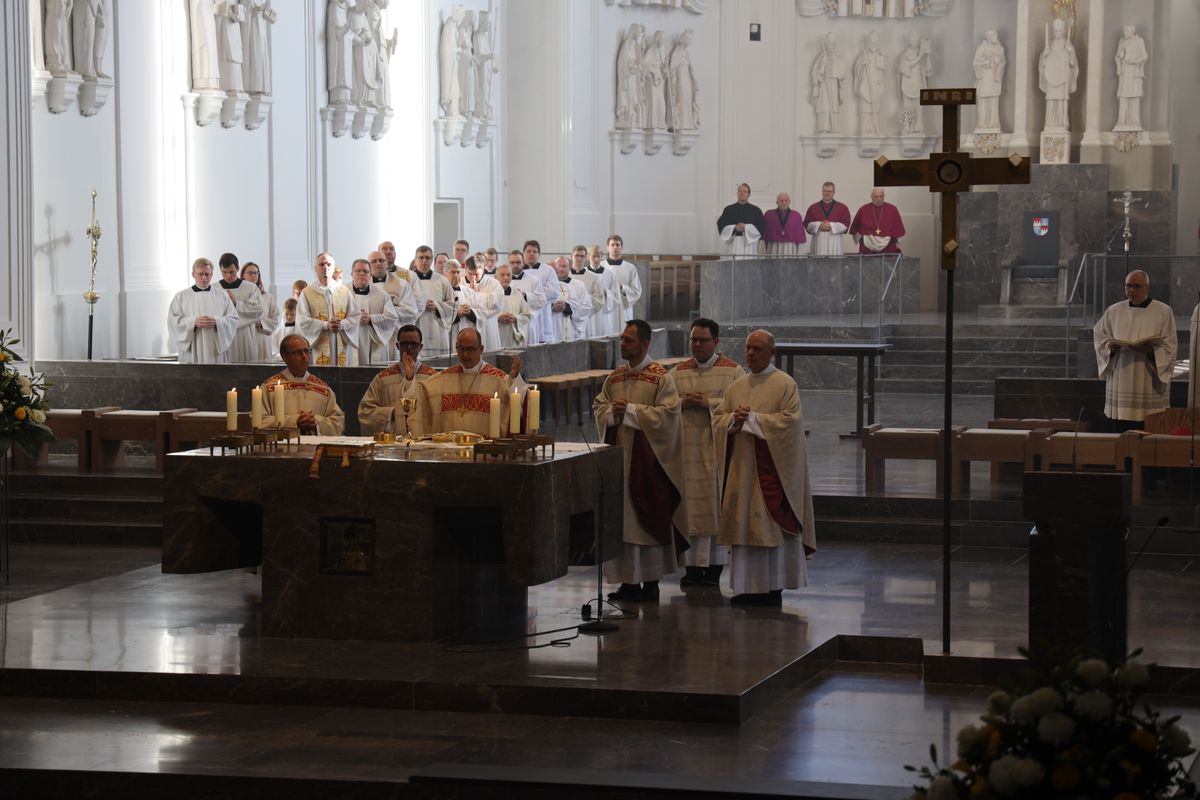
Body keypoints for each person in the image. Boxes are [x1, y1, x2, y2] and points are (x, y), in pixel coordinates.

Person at [713, 330, 815, 607]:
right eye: (748, 348)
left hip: (772, 471)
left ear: (772, 352)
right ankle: (747, 587)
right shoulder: (737, 386)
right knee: (744, 528)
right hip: (742, 469)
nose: (750, 354)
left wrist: (753, 420)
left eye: (757, 349)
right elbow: (719, 419)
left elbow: (790, 424)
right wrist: (734, 419)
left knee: (769, 528)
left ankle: (773, 586)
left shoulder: (784, 384)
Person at [592, 320, 685, 603]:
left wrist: (631, 411)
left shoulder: (660, 377)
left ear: (645, 344)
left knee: (646, 520)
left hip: (648, 462)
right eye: (621, 340)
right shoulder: (615, 377)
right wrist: (612, 413)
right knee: (623, 523)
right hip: (619, 459)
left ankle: (650, 582)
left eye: (629, 341)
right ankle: (628, 583)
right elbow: (599, 406)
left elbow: (669, 415)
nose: (623, 345)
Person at [671, 318, 744, 588]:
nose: (697, 345)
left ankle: (713, 568)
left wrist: (708, 403)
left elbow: (739, 406)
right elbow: (665, 405)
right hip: (687, 452)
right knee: (690, 509)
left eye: (703, 340)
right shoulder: (677, 372)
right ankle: (691, 568)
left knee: (714, 508)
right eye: (693, 340)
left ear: (716, 342)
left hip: (717, 451)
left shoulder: (733, 372)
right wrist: (681, 402)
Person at [1093, 270, 1177, 432]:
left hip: (1148, 379)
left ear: (1147, 287)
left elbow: (1170, 346)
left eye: (1137, 286)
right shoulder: (1113, 311)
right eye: (1128, 286)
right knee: (1121, 432)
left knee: (1148, 431)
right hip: (1121, 377)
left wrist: (1150, 351)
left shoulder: (1163, 311)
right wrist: (1110, 348)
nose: (1131, 290)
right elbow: (1099, 337)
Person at [415, 328, 523, 437]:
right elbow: (418, 397)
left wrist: (514, 379)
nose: (465, 354)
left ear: (481, 349)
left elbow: (520, 402)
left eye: (470, 349)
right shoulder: (442, 379)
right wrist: (409, 378)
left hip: (484, 451)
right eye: (461, 349)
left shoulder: (498, 380)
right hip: (450, 450)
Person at [358, 324, 440, 436]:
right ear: (397, 346)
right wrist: (391, 413)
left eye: (414, 344)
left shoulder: (432, 378)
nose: (409, 348)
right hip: (391, 444)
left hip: (423, 441)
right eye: (405, 344)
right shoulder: (382, 379)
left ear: (420, 347)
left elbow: (440, 413)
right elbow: (365, 412)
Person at [260, 333, 346, 435]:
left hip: (315, 449)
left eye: (306, 351)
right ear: (285, 357)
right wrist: (294, 421)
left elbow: (338, 422)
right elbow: (259, 420)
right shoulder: (269, 388)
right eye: (298, 352)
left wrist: (316, 422)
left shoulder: (323, 390)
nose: (304, 357)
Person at [168, 257, 239, 364]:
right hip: (192, 348)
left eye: (207, 274)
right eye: (200, 274)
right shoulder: (181, 296)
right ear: (193, 274)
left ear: (212, 275)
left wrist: (217, 321)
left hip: (214, 349)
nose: (204, 278)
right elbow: (173, 321)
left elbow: (233, 318)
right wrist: (193, 322)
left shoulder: (222, 295)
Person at [296, 252, 354, 366]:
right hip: (318, 346)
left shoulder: (344, 291)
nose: (325, 268)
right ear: (315, 268)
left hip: (340, 342)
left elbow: (355, 316)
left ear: (333, 268)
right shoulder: (307, 293)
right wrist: (325, 325)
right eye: (321, 264)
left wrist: (342, 324)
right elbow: (302, 321)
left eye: (328, 264)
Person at [346, 257, 401, 366]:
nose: (362, 274)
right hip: (350, 342)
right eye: (358, 271)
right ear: (352, 274)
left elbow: (392, 317)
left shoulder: (382, 295)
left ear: (370, 275)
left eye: (366, 271)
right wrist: (354, 318)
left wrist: (371, 319)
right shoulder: (342, 294)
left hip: (374, 341)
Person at [409, 245, 456, 358]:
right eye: (421, 258)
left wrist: (437, 306)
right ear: (415, 260)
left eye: (427, 258)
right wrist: (419, 305)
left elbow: (454, 304)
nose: (424, 260)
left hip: (437, 329)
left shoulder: (442, 280)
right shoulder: (408, 280)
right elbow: (403, 304)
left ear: (432, 260)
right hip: (416, 327)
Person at [218, 253, 264, 363]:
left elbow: (258, 310)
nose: (228, 276)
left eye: (232, 272)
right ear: (220, 269)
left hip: (244, 336)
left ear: (238, 269)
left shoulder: (250, 288)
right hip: (222, 335)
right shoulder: (215, 288)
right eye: (224, 272)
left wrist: (236, 303)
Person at [1038, 18, 1078, 131]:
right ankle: (1050, 122)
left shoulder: (1068, 45)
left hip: (1062, 78)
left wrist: (1070, 52)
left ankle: (1061, 122)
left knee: (1061, 100)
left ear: (1064, 31)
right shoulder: (1049, 45)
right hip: (1051, 77)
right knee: (1051, 100)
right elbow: (1043, 63)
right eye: (1056, 31)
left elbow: (1072, 63)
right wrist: (1044, 55)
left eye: (1060, 31)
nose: (1058, 33)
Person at [518, 240, 561, 344]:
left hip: (542, 316)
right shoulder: (517, 271)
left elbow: (554, 291)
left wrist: (528, 295)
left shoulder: (548, 270)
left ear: (539, 254)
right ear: (523, 254)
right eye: (528, 251)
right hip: (520, 315)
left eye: (535, 251)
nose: (531, 254)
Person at [599, 235, 641, 336]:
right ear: (607, 247)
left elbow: (636, 291)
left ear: (621, 247)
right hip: (606, 307)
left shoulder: (630, 268)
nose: (615, 248)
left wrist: (623, 288)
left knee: (624, 334)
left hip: (623, 307)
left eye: (617, 245)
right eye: (612, 245)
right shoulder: (601, 267)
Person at [369, 249, 419, 327]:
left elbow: (411, 312)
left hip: (395, 331)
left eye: (381, 260)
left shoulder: (402, 284)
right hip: (370, 331)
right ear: (368, 266)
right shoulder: (362, 287)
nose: (378, 263)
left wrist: (385, 312)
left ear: (386, 264)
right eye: (374, 261)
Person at [848, 188, 906, 255]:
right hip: (868, 244)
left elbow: (899, 228)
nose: (879, 198)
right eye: (876, 196)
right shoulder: (863, 209)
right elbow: (855, 228)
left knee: (888, 264)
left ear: (884, 196)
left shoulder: (892, 209)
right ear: (872, 197)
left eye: (881, 196)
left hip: (888, 246)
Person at [241, 261, 279, 361]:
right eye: (250, 273)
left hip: (262, 338)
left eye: (256, 273)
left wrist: (261, 323)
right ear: (243, 275)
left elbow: (275, 320)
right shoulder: (239, 297)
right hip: (244, 339)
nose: (254, 275)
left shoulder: (267, 297)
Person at [803, 182, 852, 256]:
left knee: (834, 264)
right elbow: (807, 224)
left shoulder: (842, 208)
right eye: (825, 191)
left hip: (835, 241)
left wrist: (831, 226)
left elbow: (846, 224)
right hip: (818, 240)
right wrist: (818, 225)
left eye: (830, 191)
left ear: (834, 192)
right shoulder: (813, 207)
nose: (827, 193)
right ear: (822, 192)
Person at [811, 32, 846, 135]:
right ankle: (824, 128)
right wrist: (822, 66)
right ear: (826, 44)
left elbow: (843, 73)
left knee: (833, 106)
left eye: (834, 44)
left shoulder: (837, 60)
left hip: (833, 84)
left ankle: (834, 127)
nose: (833, 46)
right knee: (825, 106)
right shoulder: (821, 58)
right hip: (824, 86)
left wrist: (840, 76)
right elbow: (815, 73)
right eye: (831, 44)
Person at [852, 30, 887, 136]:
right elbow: (856, 69)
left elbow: (882, 70)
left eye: (876, 39)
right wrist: (862, 64)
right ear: (869, 41)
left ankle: (875, 129)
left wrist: (880, 67)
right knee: (865, 109)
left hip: (875, 86)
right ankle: (865, 130)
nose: (874, 42)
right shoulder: (864, 54)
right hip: (866, 86)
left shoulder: (880, 54)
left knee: (875, 109)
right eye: (872, 39)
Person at [1114, 26, 1148, 131]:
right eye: (1124, 31)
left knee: (1134, 95)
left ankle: (1134, 121)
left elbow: (1145, 55)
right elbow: (1117, 57)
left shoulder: (1139, 41)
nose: (1124, 32)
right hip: (1125, 72)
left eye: (1126, 31)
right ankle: (1122, 121)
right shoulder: (1122, 42)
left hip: (1134, 71)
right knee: (1124, 94)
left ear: (1132, 31)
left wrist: (1136, 61)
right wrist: (1121, 56)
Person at [717, 183, 764, 258]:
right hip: (733, 243)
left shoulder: (756, 210)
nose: (742, 193)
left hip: (749, 244)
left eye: (745, 192)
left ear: (748, 195)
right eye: (740, 191)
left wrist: (746, 227)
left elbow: (761, 227)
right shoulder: (728, 209)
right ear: (737, 193)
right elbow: (721, 225)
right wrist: (734, 227)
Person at [552, 256, 593, 342]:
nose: (561, 269)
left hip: (573, 330)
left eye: (564, 266)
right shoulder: (549, 285)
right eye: (558, 266)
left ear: (569, 267)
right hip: (554, 329)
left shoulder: (579, 285)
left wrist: (568, 307)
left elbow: (586, 308)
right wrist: (552, 307)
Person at [897, 32, 931, 135]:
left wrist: (928, 55)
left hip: (919, 83)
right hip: (908, 83)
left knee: (919, 106)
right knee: (907, 105)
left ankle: (918, 127)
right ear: (909, 41)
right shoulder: (905, 54)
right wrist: (920, 56)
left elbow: (928, 71)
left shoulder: (921, 53)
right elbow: (904, 66)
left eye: (916, 41)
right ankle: (907, 127)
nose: (915, 42)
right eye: (913, 40)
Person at [973, 30, 1005, 132]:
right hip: (984, 77)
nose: (996, 36)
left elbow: (1003, 62)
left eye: (996, 34)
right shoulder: (981, 48)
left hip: (994, 77)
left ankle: (993, 122)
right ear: (988, 37)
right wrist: (983, 63)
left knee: (993, 99)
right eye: (993, 35)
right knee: (983, 99)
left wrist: (997, 62)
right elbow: (975, 63)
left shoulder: (1000, 49)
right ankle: (982, 123)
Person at [494, 264, 532, 348]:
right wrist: (497, 318)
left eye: (508, 275)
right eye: (502, 274)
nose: (506, 277)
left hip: (513, 339)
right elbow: (483, 315)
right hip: (496, 337)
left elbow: (528, 315)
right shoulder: (489, 293)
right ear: (496, 277)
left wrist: (516, 318)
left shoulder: (517, 294)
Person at [586, 244, 619, 337]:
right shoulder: (584, 273)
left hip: (604, 311)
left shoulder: (609, 274)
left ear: (602, 257)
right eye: (593, 256)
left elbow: (616, 295)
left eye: (598, 256)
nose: (596, 259)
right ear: (588, 257)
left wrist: (607, 293)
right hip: (589, 311)